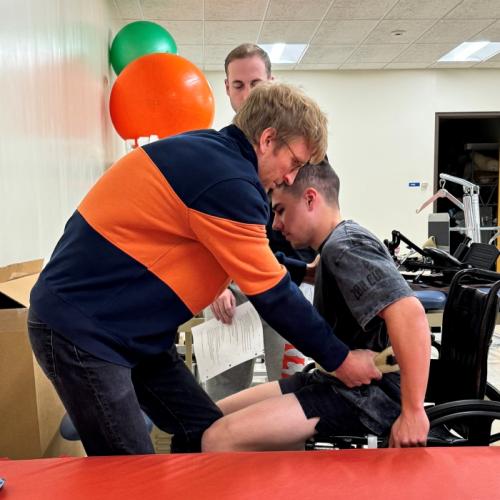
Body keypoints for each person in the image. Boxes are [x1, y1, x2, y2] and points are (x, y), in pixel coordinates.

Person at [28, 82, 381, 456]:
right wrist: (340, 361)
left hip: (131, 333)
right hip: (83, 332)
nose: (291, 177)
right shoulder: (228, 180)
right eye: (293, 162)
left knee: (206, 433)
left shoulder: (212, 158)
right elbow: (273, 297)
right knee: (129, 471)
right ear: (267, 139)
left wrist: (302, 272)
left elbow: (239, 252)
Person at [202, 161, 431, 451]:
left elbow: (411, 315)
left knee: (217, 439)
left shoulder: (344, 247)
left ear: (310, 198)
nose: (275, 225)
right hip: (334, 380)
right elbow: (304, 270)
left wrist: (413, 412)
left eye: (281, 210)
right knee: (211, 417)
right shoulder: (335, 246)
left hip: (365, 398)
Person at [206, 43, 315, 400]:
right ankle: (220, 455)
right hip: (229, 286)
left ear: (272, 82)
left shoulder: (301, 150)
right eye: (238, 85)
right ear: (227, 89)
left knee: (290, 386)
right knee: (223, 390)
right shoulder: (219, 155)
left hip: (287, 282)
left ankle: (286, 458)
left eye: (256, 83)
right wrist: (214, 285)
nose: (248, 93)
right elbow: (204, 231)